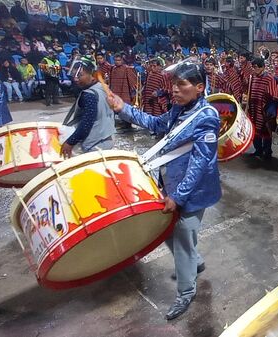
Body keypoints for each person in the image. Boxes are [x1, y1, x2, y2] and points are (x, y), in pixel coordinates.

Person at [106, 62, 221, 321]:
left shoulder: (207, 117)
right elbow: (156, 123)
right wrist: (122, 109)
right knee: (171, 234)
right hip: (171, 183)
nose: (175, 90)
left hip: (192, 192)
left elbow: (199, 163)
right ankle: (195, 262)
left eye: (182, 84)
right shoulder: (179, 109)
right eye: (174, 84)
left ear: (199, 88)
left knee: (180, 237)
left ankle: (186, 290)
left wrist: (178, 197)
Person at [60, 56, 116, 157]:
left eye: (80, 75)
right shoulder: (103, 87)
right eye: (74, 75)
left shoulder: (89, 94)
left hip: (96, 144)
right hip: (108, 138)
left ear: (92, 75)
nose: (76, 79)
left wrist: (70, 142)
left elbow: (86, 123)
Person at [247, 57, 278, 159]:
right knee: (254, 130)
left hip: (264, 110)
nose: (254, 70)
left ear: (262, 67)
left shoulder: (269, 78)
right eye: (252, 67)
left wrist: (270, 108)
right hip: (254, 108)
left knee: (266, 131)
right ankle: (258, 150)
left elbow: (275, 94)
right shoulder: (252, 77)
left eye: (256, 67)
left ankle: (267, 152)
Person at [109, 54, 137, 131]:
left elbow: (132, 82)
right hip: (115, 92)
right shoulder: (112, 69)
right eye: (115, 60)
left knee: (125, 109)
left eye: (119, 60)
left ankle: (128, 125)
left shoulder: (127, 69)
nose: (117, 62)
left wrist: (133, 92)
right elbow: (110, 81)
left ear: (122, 60)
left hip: (125, 93)